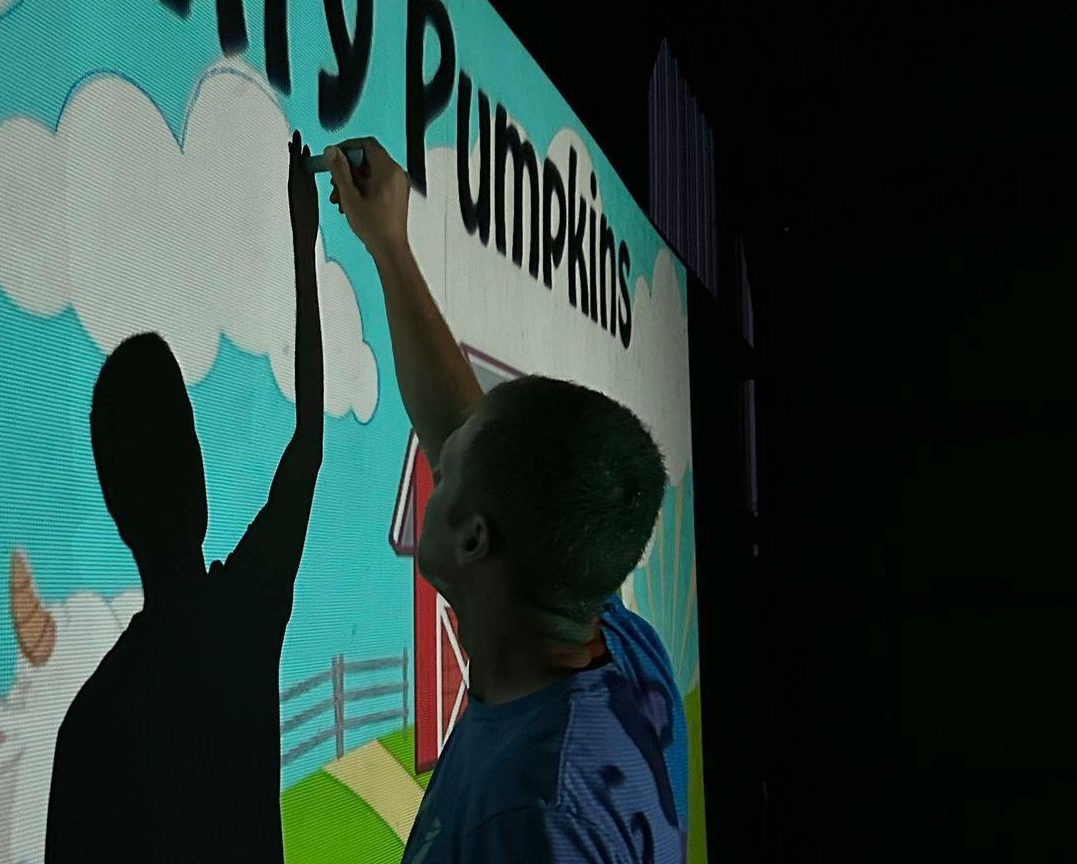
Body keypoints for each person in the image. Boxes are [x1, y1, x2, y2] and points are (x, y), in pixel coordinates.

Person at [323, 139, 688, 863]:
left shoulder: (528, 818)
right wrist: (390, 246)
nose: (439, 448)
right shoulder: (617, 652)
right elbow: (467, 431)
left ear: (475, 541)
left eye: (448, 466)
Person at [44, 132, 324, 864]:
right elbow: (307, 441)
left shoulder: (91, 724)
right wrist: (304, 239)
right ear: (199, 477)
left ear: (113, 506)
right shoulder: (244, 614)